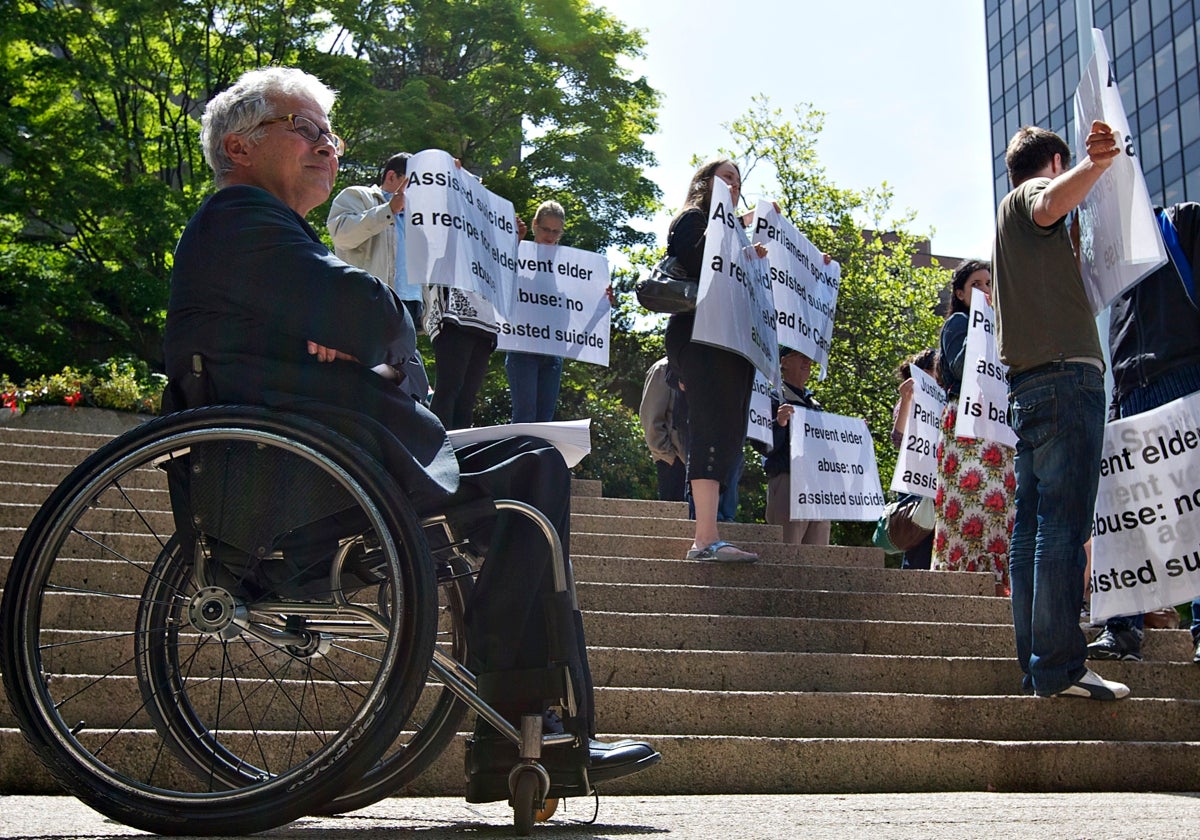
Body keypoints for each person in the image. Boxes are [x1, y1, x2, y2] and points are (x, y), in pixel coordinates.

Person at [162, 66, 658, 802]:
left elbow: (355, 323)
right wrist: (365, 331)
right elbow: (370, 314)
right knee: (532, 472)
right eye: (306, 130)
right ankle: (521, 728)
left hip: (315, 464)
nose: (327, 146)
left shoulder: (261, 234)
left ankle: (527, 727)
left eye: (331, 134)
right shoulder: (242, 219)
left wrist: (355, 334)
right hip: (303, 481)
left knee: (532, 461)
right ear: (238, 145)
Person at [991, 122, 1128, 700]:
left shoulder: (1006, 233)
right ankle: (1060, 667)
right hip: (1066, 380)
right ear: (1053, 160)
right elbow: (1049, 202)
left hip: (1031, 386)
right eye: (1066, 166)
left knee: (1034, 531)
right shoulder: (1027, 198)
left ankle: (1039, 665)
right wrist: (1095, 168)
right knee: (1063, 528)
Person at [1087, 201, 1200, 666]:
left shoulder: (1183, 220)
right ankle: (1122, 630)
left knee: (1192, 510)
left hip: (1184, 374)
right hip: (1130, 389)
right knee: (1127, 517)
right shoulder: (1111, 256)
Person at [664, 159, 763, 563]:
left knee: (729, 437)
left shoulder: (738, 231)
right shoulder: (689, 220)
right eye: (726, 177)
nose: (734, 184)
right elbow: (701, 258)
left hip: (735, 348)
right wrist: (743, 249)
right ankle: (703, 540)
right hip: (701, 342)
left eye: (738, 180)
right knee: (707, 432)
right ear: (705, 183)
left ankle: (713, 534)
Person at [932, 259, 1014, 597]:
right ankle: (963, 581)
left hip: (996, 426)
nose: (985, 290)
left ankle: (999, 580)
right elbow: (964, 365)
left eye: (988, 284)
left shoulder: (1001, 325)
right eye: (977, 284)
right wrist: (983, 326)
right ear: (961, 293)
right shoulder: (959, 323)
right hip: (965, 427)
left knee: (999, 503)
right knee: (969, 502)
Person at [327, 152, 425, 328]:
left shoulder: (418, 217)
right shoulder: (357, 195)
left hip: (411, 304)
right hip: (367, 302)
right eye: (414, 182)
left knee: (403, 355)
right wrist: (389, 210)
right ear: (391, 176)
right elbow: (342, 236)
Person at [506, 200, 567, 423]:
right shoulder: (519, 254)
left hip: (553, 351)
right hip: (522, 349)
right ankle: (520, 458)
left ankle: (539, 459)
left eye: (555, 231)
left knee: (545, 420)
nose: (550, 236)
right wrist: (515, 244)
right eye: (545, 229)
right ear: (534, 225)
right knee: (525, 416)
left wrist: (602, 300)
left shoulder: (572, 267)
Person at [762, 348, 831, 545]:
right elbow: (762, 444)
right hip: (788, 482)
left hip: (818, 488)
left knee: (818, 558)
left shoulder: (814, 403)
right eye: (801, 356)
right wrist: (779, 423)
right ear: (784, 362)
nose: (807, 362)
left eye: (809, 358)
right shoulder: (772, 398)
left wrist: (853, 434)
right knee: (788, 553)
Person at [891, 348, 939, 570]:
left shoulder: (944, 402)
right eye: (935, 371)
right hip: (916, 487)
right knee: (917, 547)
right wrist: (906, 399)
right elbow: (898, 438)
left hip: (938, 485)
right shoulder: (908, 400)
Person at [639, 356, 688, 502]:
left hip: (693, 462)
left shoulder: (694, 367)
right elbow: (651, 417)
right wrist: (668, 456)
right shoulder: (662, 369)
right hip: (673, 461)